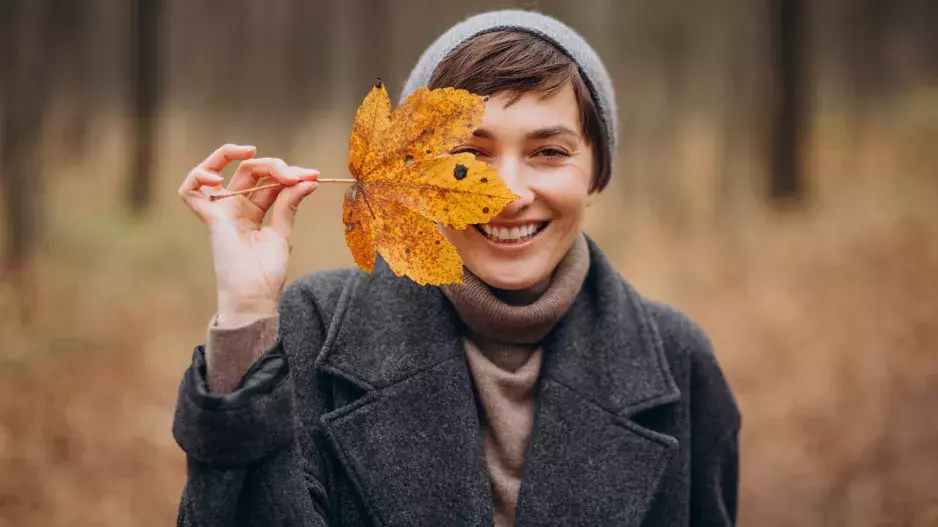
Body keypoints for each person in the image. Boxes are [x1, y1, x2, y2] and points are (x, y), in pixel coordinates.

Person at [173, 9, 740, 527]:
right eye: (470, 155)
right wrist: (246, 312)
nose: (507, 194)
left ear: (596, 173)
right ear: (412, 177)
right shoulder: (310, 329)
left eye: (549, 151)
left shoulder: (679, 361)